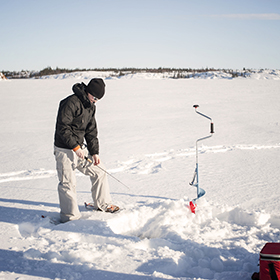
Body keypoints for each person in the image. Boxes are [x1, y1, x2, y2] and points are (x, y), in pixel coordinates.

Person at [54, 78, 119, 223]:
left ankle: (103, 204)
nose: (95, 101)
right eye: (94, 97)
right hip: (65, 149)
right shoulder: (70, 102)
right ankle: (70, 218)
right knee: (68, 183)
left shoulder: (90, 105)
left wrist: (94, 152)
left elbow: (91, 130)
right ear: (88, 91)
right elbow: (62, 128)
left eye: (98, 99)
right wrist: (75, 147)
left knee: (100, 170)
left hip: (80, 149)